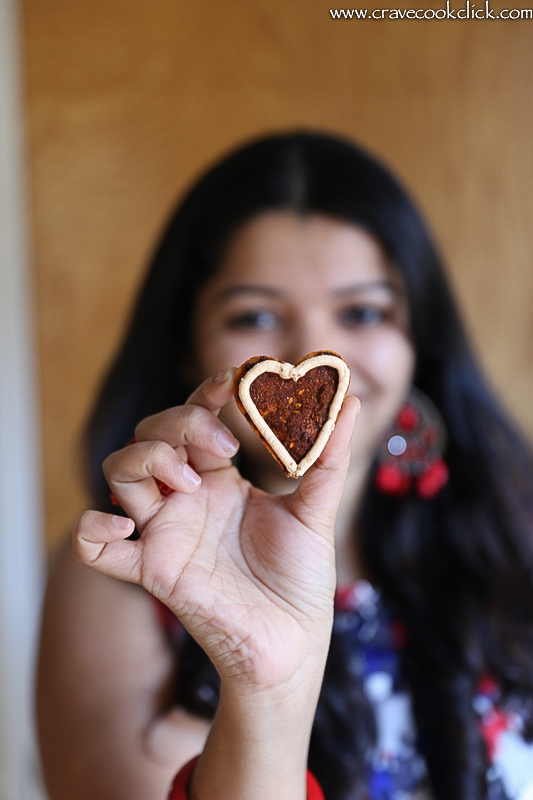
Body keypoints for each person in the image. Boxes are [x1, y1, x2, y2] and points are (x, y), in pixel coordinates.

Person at [37, 131, 533, 800]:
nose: (314, 354)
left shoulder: (515, 534)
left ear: (417, 339)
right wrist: (263, 685)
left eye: (362, 311)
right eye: (256, 315)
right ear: (187, 347)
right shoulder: (123, 568)